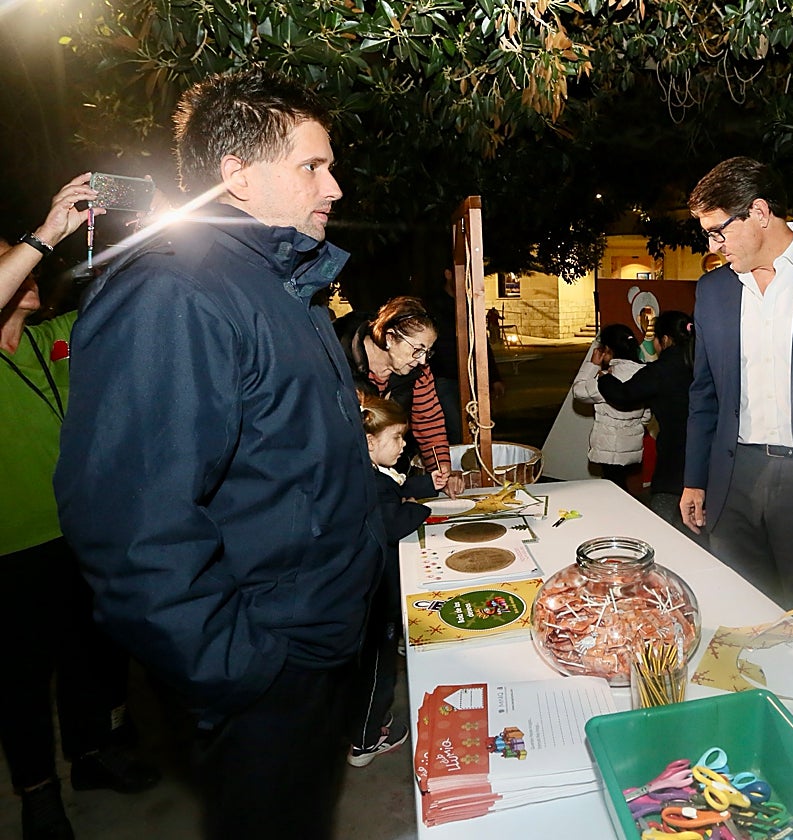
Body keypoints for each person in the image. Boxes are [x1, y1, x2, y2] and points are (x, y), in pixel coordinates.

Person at [54, 69, 386, 840]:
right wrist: (244, 670)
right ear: (236, 175)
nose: (333, 185)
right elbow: (130, 526)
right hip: (271, 670)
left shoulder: (280, 287)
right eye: (312, 165)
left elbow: (295, 466)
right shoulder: (175, 294)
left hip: (317, 649)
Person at [2, 178, 160, 840]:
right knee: (20, 682)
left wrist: (145, 234)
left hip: (83, 531)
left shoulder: (55, 337)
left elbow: (126, 310)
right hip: (11, 550)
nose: (31, 266)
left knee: (93, 655)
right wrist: (44, 233)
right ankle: (39, 793)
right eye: (14, 260)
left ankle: (94, 755)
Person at [682, 156, 793, 616]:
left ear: (759, 213)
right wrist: (694, 481)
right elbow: (704, 395)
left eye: (718, 230)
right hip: (733, 479)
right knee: (740, 618)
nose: (713, 243)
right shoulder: (714, 291)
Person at [348, 393, 447, 767]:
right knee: (378, 667)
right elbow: (392, 520)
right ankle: (364, 741)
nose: (404, 445)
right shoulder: (371, 483)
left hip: (366, 589)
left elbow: (399, 487)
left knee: (370, 669)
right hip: (376, 594)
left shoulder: (369, 470)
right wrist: (421, 510)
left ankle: (367, 719)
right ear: (370, 442)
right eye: (397, 439)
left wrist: (428, 486)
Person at [337, 298, 461, 494]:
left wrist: (442, 470)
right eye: (417, 349)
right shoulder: (337, 362)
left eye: (427, 352)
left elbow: (429, 422)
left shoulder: (419, 372)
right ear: (389, 338)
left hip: (392, 476)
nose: (422, 361)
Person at [597, 310, 702, 542]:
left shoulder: (661, 370)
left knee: (662, 525)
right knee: (699, 525)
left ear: (664, 339)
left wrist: (604, 374)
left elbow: (624, 395)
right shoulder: (701, 363)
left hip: (674, 460)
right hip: (707, 457)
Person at [427, 267, 505, 445]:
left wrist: (494, 377)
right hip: (443, 378)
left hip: (471, 378)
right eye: (462, 277)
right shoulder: (433, 306)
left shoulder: (469, 305)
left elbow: (481, 342)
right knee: (456, 428)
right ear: (448, 274)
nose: (466, 283)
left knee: (479, 426)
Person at [572, 323, 650, 492]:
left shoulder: (607, 379)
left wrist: (592, 365)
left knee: (614, 488)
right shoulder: (645, 373)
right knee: (619, 485)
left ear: (607, 349)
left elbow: (578, 391)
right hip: (632, 443)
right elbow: (647, 413)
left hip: (608, 447)